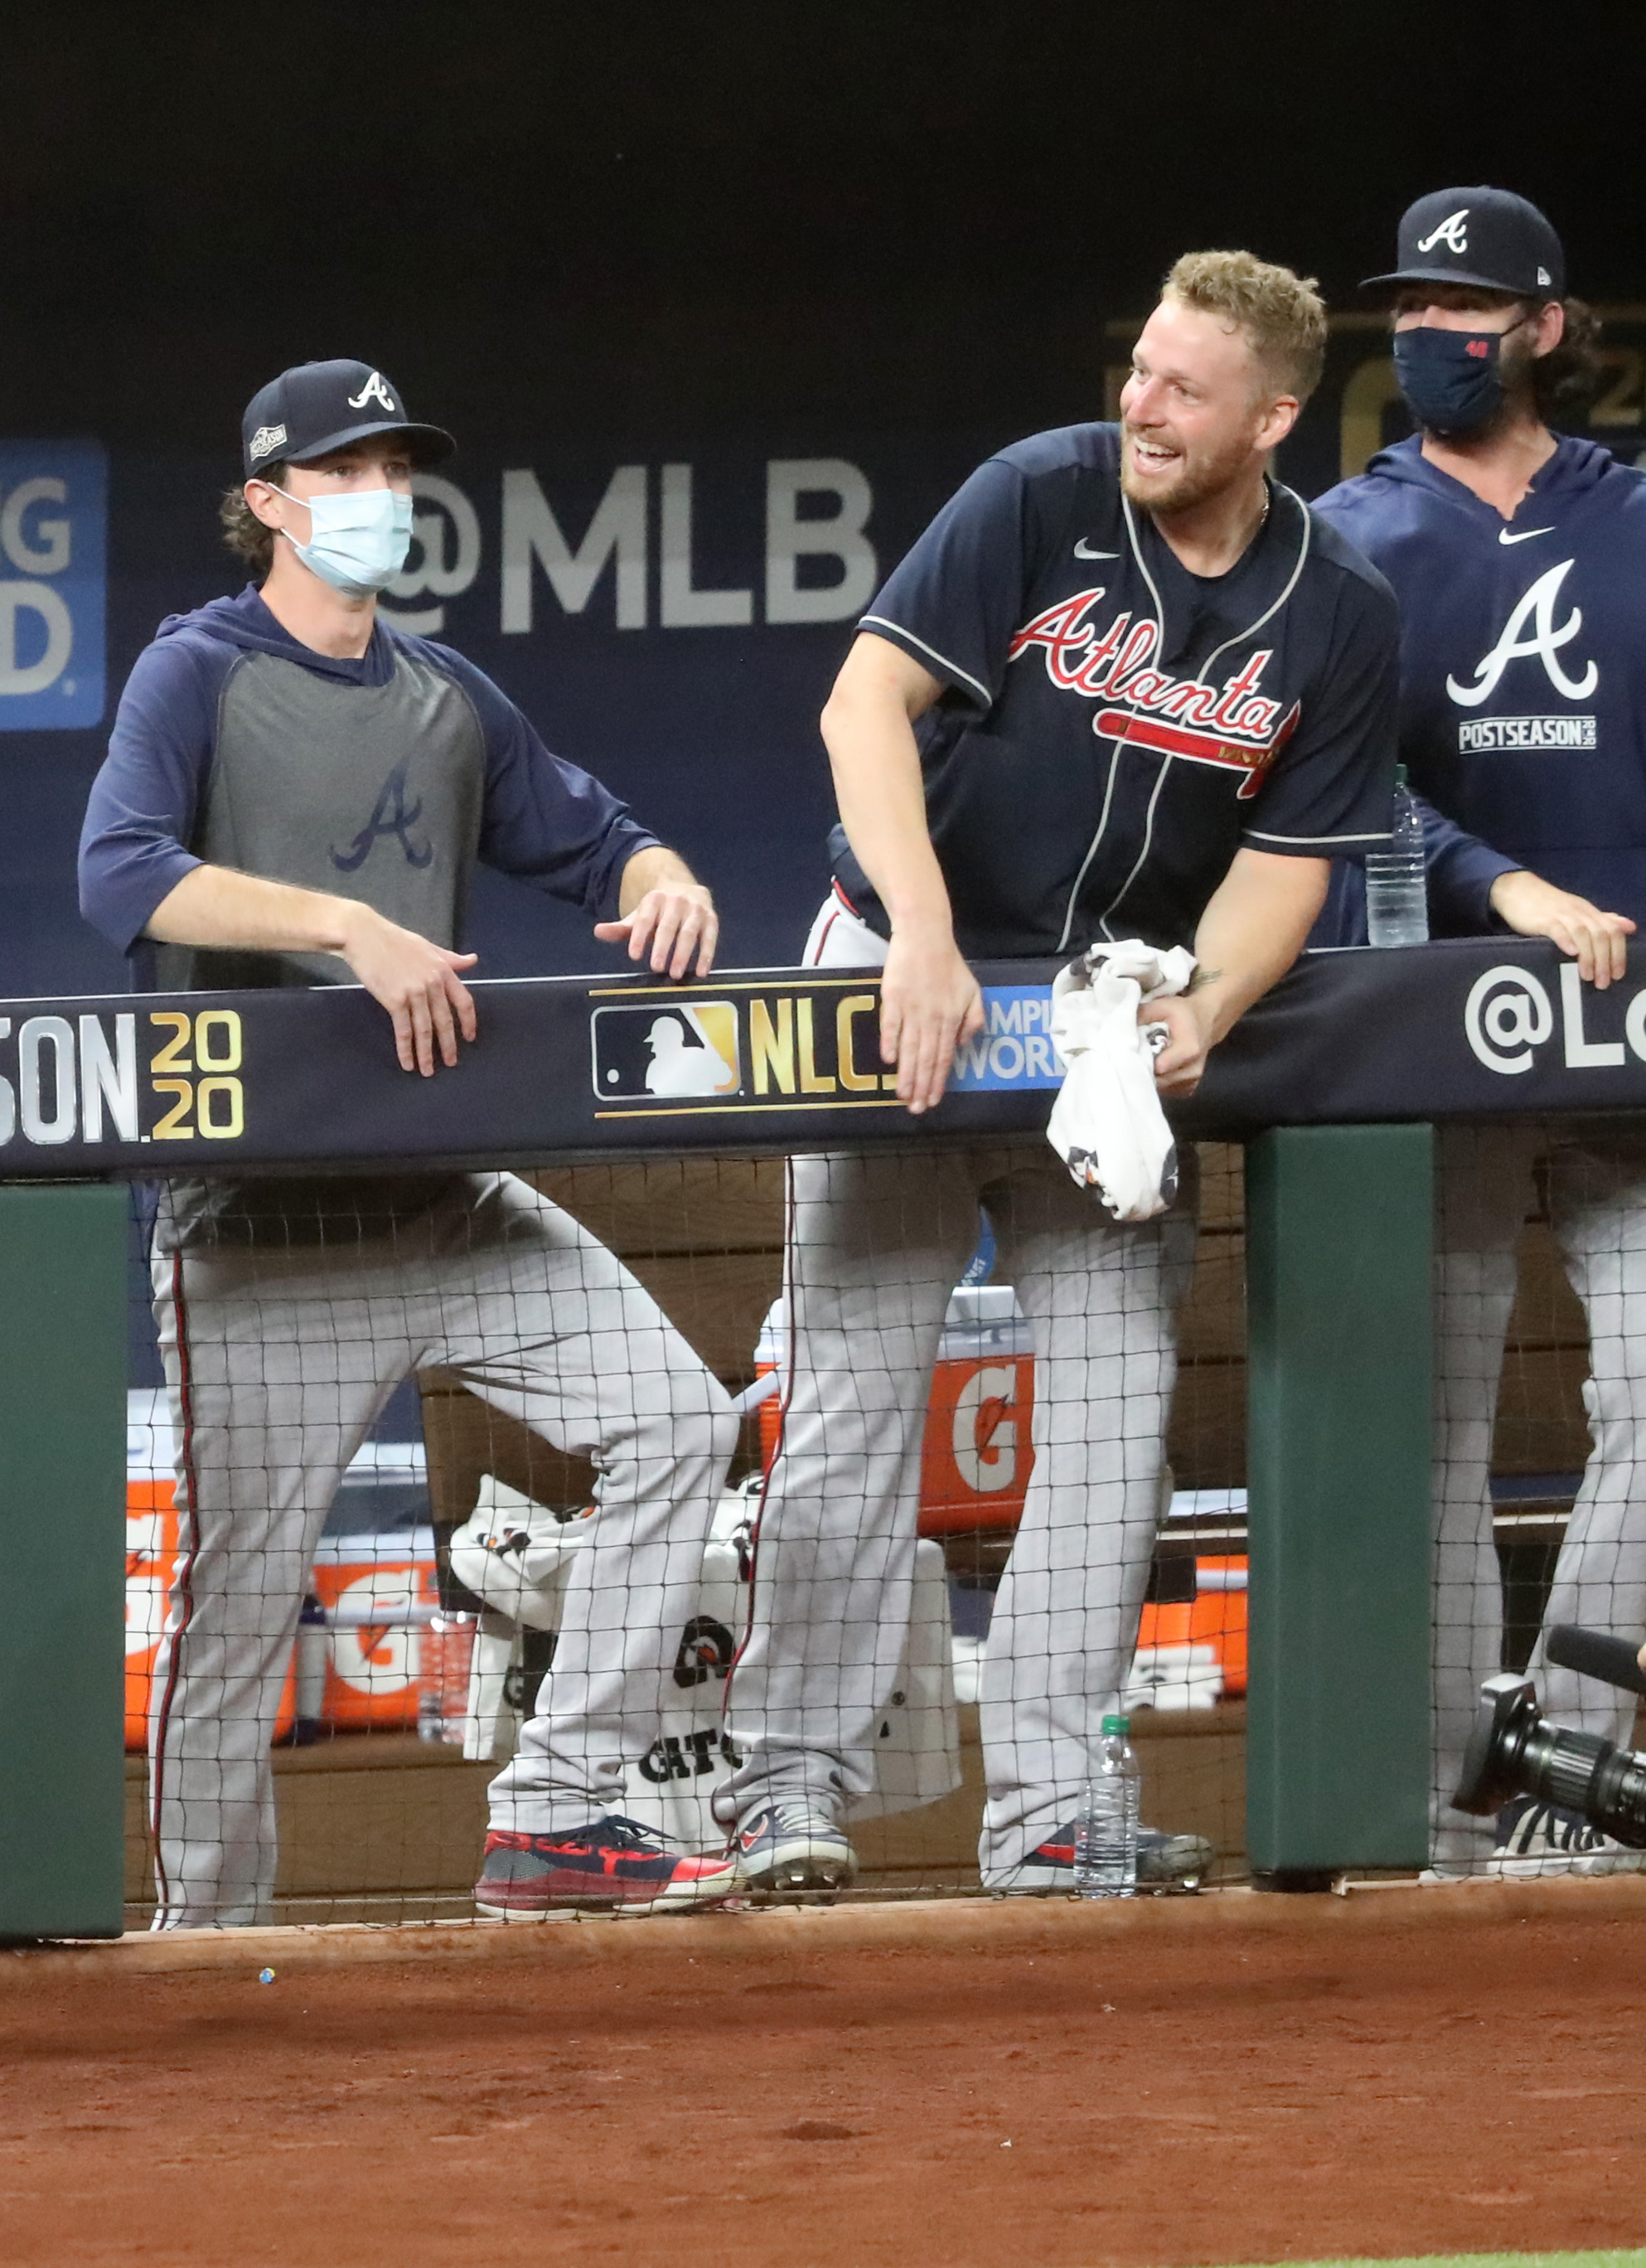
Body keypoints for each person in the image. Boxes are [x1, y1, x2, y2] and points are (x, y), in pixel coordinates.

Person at [726, 251, 1398, 1896]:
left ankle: (1048, 1809)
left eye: (1183, 388)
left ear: (1276, 419)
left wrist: (1213, 1006)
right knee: (855, 1402)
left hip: (1101, 1027)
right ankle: (783, 1792)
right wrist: (922, 936)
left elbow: (1289, 863)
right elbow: (864, 706)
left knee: (1112, 1421)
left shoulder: (1338, 609)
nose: (1141, 407)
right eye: (1140, 370)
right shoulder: (1039, 498)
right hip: (916, 981)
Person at [75, 359, 745, 1925]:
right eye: (344, 470)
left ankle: (557, 1812)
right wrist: (346, 928)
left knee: (674, 1422)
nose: (379, 496)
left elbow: (590, 831)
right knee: (236, 1611)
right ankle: (204, 1935)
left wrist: (660, 872)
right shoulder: (196, 671)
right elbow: (120, 876)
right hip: (257, 1225)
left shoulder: (445, 693)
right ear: (266, 502)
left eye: (393, 468)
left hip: (445, 1201)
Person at [1308, 186, 1646, 1877]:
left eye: (1467, 303)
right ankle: (1452, 1815)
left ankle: (1567, 1781)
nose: (1433, 329)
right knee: (1427, 1426)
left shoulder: (1638, 518)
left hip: (1636, 1051)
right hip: (1428, 1031)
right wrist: (1497, 884)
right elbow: (1334, 786)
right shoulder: (1347, 539)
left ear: (1546, 330)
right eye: (1412, 303)